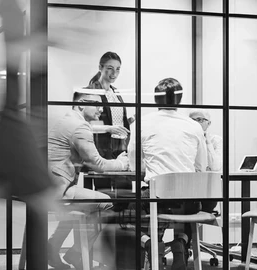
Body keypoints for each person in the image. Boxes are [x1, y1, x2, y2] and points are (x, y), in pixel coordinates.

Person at [128, 78, 208, 270]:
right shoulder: (194, 126)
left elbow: (133, 165)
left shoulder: (141, 123)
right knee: (187, 204)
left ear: (155, 99)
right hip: (189, 198)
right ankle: (181, 242)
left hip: (156, 196)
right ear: (179, 100)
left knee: (125, 210)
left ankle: (150, 243)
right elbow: (201, 166)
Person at [47, 91, 129, 269]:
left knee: (87, 205)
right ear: (82, 104)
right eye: (98, 104)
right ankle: (76, 253)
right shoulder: (79, 126)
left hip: (49, 185)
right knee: (105, 202)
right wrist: (121, 163)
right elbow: (97, 163)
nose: (102, 109)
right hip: (58, 189)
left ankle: (53, 247)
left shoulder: (66, 120)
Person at [86, 52, 133, 192]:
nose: (114, 73)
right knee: (104, 188)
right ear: (100, 67)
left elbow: (115, 118)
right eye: (110, 68)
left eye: (118, 69)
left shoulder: (115, 92)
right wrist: (109, 128)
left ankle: (122, 213)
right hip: (101, 145)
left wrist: (128, 121)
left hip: (120, 145)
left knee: (124, 187)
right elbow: (85, 123)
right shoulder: (91, 91)